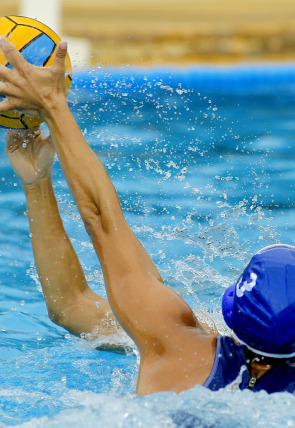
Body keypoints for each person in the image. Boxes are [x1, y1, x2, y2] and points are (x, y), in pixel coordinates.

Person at [1, 36, 295, 395]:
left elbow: (100, 225)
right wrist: (38, 181)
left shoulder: (175, 344)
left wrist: (51, 105)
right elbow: (73, 308)